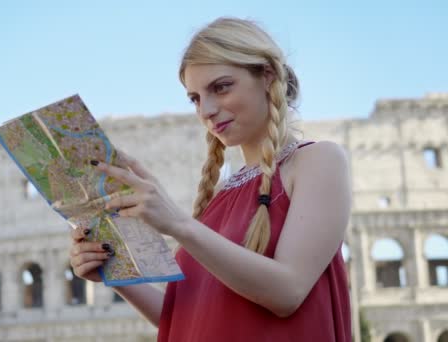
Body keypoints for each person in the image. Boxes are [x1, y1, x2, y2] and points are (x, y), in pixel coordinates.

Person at [69, 16, 352, 341]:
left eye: (221, 87)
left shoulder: (318, 160)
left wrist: (179, 224)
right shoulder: (221, 194)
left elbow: (287, 291)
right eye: (195, 98)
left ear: (267, 76)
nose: (207, 109)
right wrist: (112, 269)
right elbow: (185, 318)